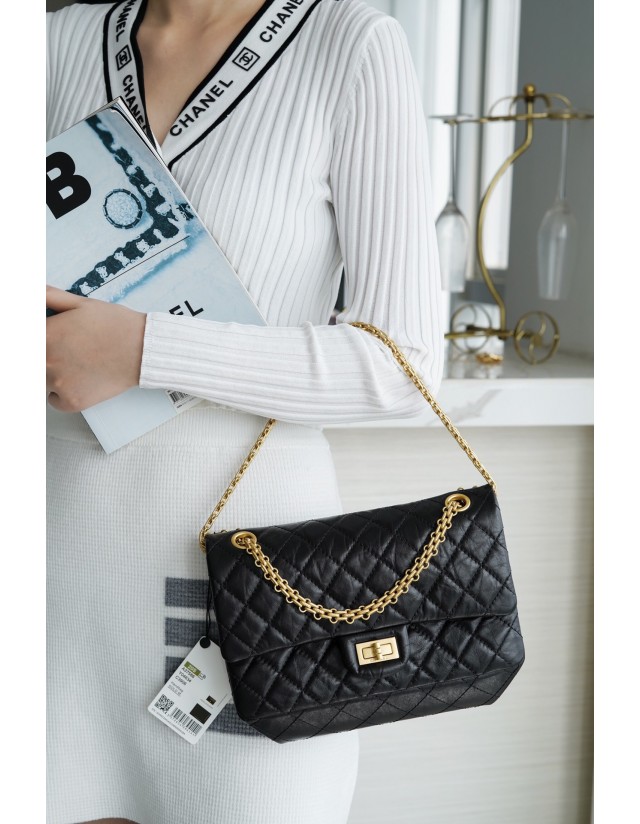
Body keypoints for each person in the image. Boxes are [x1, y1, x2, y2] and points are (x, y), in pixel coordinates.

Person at [46, 0, 444, 822]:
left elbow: (403, 366)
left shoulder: (350, 45)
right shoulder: (46, 41)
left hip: (251, 598)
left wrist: (143, 349)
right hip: (50, 579)